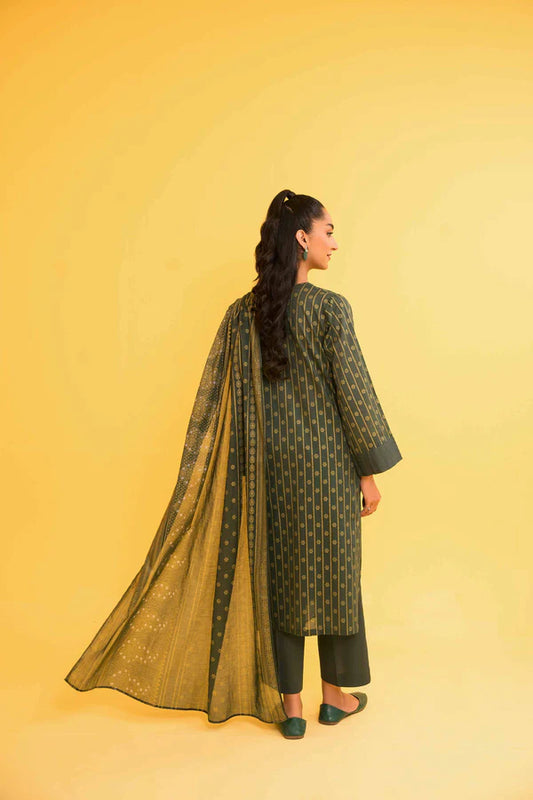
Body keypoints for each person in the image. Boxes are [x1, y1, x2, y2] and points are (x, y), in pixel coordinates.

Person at [64, 189, 402, 740]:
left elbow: (223, 400)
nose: (334, 243)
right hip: (328, 469)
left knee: (281, 581)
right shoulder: (330, 309)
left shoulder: (244, 314)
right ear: (302, 238)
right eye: (329, 232)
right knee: (336, 578)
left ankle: (292, 709)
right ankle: (335, 697)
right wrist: (368, 472)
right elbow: (354, 394)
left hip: (271, 473)